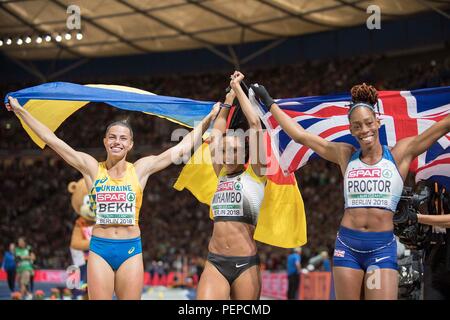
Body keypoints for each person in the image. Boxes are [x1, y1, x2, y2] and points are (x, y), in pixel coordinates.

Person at [5, 96, 220, 300]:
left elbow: (181, 148)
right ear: (105, 141)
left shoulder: (140, 170)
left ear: (130, 145)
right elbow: (51, 140)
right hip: (100, 250)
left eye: (123, 138)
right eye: (113, 137)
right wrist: (21, 111)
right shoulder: (91, 168)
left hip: (130, 250)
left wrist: (208, 119)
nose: (117, 142)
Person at [251, 82, 450, 299]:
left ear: (378, 122)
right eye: (357, 126)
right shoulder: (345, 155)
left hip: (381, 249)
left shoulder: (400, 154)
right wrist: (269, 102)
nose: (364, 130)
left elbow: (441, 127)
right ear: (350, 129)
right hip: (347, 247)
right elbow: (301, 136)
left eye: (368, 123)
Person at [196, 71, 267, 300]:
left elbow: (255, 123)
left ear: (245, 153)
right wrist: (227, 101)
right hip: (215, 261)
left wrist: (238, 89)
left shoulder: (256, 175)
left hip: (245, 264)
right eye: (224, 151)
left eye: (233, 151)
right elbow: (216, 135)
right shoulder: (220, 175)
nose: (226, 155)